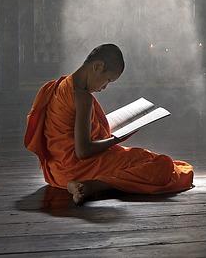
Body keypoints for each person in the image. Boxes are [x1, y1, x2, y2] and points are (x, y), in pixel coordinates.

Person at [24, 43, 194, 205]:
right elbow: (83, 151)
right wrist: (115, 139)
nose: (105, 87)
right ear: (97, 66)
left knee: (145, 159)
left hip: (56, 171)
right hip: (78, 168)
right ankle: (92, 185)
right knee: (162, 165)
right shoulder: (82, 97)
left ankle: (82, 185)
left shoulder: (57, 86)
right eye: (108, 80)